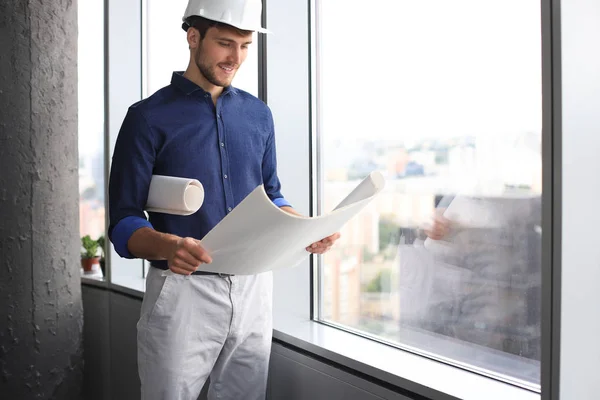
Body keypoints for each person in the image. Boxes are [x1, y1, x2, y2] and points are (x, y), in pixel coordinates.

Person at [108, 0, 340, 398]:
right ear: (193, 37)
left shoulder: (258, 115)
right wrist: (169, 244)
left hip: (254, 289)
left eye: (246, 46)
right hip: (183, 292)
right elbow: (123, 221)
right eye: (225, 43)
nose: (236, 57)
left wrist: (301, 229)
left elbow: (271, 195)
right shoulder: (147, 118)